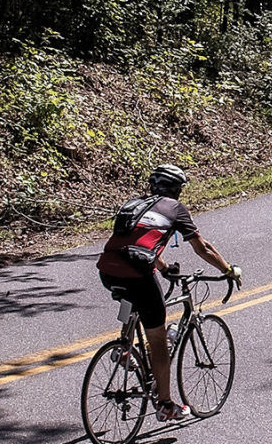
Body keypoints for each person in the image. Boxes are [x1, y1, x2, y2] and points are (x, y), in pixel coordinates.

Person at [96, 164, 242, 422]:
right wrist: (228, 270)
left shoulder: (134, 204)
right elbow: (203, 248)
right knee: (158, 340)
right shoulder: (175, 209)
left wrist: (163, 268)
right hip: (137, 273)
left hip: (107, 270)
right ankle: (165, 404)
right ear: (177, 189)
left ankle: (126, 348)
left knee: (136, 303)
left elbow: (135, 244)